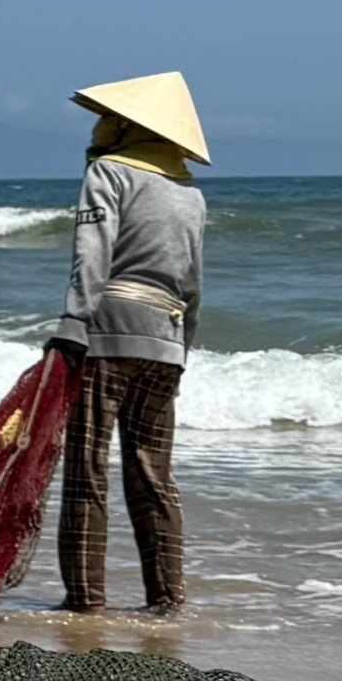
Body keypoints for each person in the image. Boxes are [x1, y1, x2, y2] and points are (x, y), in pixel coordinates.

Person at [47, 70, 210, 617]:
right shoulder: (189, 193)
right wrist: (181, 348)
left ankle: (85, 601)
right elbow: (193, 284)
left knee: (87, 468)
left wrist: (73, 325)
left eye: (103, 119)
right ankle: (167, 601)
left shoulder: (109, 174)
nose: (94, 129)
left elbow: (91, 255)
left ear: (124, 126)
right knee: (153, 476)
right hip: (165, 342)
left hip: (107, 336)